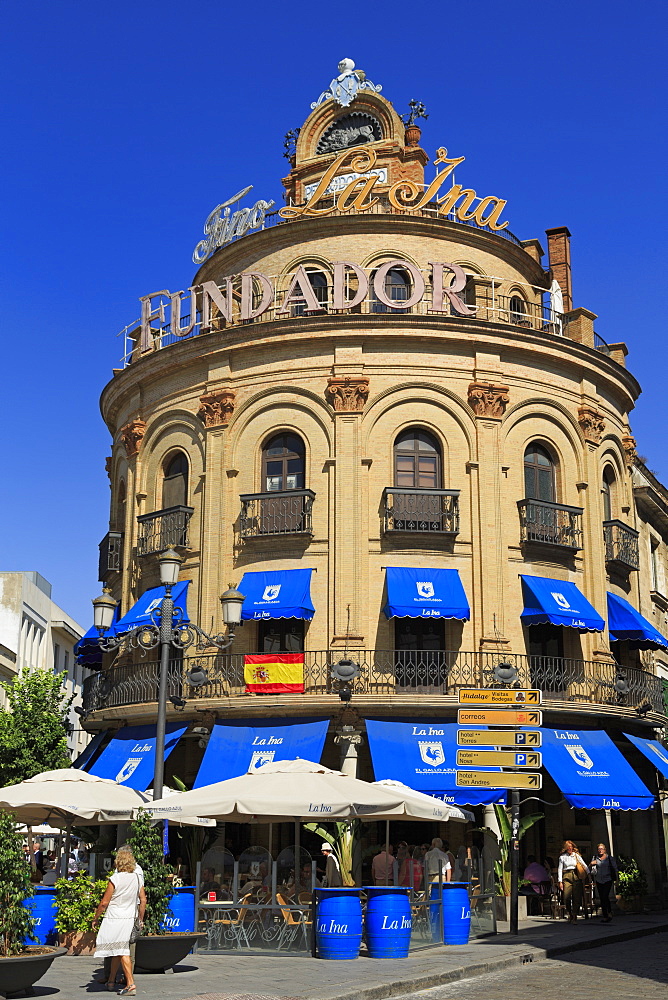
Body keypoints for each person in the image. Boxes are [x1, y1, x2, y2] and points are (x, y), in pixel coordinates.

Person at [93, 845, 146, 996]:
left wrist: (95, 918)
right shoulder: (137, 878)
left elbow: (104, 902)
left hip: (115, 917)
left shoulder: (115, 878)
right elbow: (143, 900)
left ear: (118, 862)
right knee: (119, 948)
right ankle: (111, 980)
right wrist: (140, 918)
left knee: (122, 950)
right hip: (130, 917)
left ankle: (130, 984)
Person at [558, 840, 588, 923]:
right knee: (566, 896)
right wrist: (560, 881)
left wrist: (588, 874)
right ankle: (569, 912)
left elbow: (583, 865)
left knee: (577, 896)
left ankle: (575, 915)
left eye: (571, 847)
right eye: (568, 847)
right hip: (566, 876)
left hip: (575, 875)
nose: (570, 848)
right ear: (566, 848)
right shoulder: (562, 857)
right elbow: (560, 869)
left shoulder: (576, 856)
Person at [590, 842, 618, 923]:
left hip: (608, 879)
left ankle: (609, 912)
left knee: (605, 896)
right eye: (599, 849)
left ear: (605, 850)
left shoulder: (609, 858)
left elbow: (615, 869)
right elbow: (591, 869)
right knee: (602, 898)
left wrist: (617, 880)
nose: (600, 850)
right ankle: (606, 915)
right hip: (599, 880)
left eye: (601, 849)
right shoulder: (595, 858)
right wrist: (591, 864)